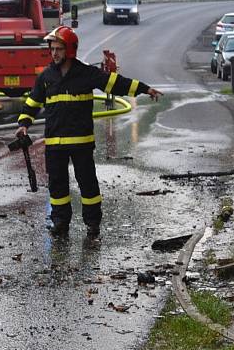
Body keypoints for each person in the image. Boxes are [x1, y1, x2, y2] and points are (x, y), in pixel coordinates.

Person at [15, 25, 162, 239]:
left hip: (81, 142)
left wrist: (144, 89)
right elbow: (32, 102)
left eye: (59, 49)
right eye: (52, 49)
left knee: (88, 184)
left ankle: (93, 223)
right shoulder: (46, 77)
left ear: (70, 50)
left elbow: (116, 84)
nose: (54, 53)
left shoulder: (86, 74)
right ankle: (60, 223)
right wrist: (23, 124)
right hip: (55, 143)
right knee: (57, 186)